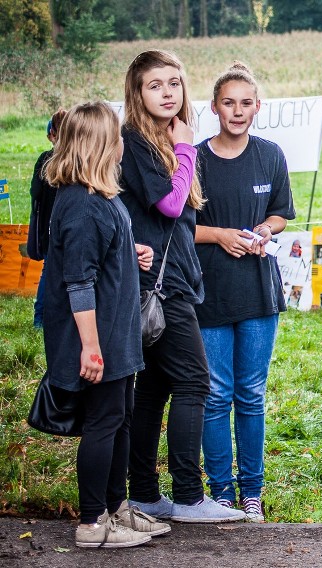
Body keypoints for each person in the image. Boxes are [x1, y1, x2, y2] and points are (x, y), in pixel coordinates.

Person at [119, 49, 245, 523]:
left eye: (174, 83)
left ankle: (146, 494)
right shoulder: (137, 142)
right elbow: (171, 207)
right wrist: (189, 149)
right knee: (194, 381)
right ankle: (190, 496)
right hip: (159, 285)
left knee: (154, 389)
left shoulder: (165, 139)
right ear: (137, 92)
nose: (168, 92)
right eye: (155, 85)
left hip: (173, 280)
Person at [41, 101, 168, 548]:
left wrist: (129, 256)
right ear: (99, 145)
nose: (121, 145)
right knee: (103, 422)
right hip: (99, 337)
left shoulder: (100, 198)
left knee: (119, 418)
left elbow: (98, 257)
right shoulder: (82, 205)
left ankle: (116, 509)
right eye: (115, 137)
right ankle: (93, 523)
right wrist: (90, 348)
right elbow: (78, 282)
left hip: (118, 330)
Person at [194, 62, 295, 522]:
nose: (237, 111)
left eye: (246, 103)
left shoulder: (270, 155)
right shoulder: (192, 159)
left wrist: (262, 229)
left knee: (251, 393)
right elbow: (177, 225)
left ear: (259, 107)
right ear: (214, 107)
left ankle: (252, 491)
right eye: (228, 103)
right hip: (208, 291)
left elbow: (280, 215)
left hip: (258, 291)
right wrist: (219, 235)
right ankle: (220, 492)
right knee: (216, 394)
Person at [29, 108, 67, 328]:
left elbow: (35, 193)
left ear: (52, 134)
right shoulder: (78, 160)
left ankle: (40, 319)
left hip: (49, 228)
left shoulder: (46, 159)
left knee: (49, 273)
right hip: (64, 227)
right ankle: (42, 319)